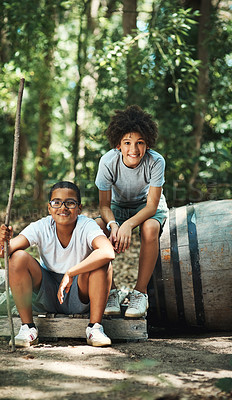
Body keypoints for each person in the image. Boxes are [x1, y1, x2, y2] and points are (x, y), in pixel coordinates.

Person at [0, 181, 115, 348]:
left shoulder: (86, 225)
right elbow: (4, 252)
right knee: (17, 257)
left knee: (102, 264)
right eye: (56, 202)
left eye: (70, 203)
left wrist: (71, 272)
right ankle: (27, 328)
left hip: (79, 293)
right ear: (49, 207)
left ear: (79, 208)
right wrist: (2, 240)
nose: (63, 207)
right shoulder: (42, 226)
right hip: (48, 292)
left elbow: (108, 251)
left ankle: (94, 328)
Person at [95, 105, 168, 318]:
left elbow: (152, 207)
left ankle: (140, 293)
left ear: (148, 143)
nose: (133, 150)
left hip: (146, 206)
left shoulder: (156, 161)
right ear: (118, 144)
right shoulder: (108, 162)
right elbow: (104, 206)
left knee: (150, 227)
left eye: (140, 143)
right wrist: (114, 224)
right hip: (117, 207)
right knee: (98, 227)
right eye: (127, 143)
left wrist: (128, 225)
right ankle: (111, 291)